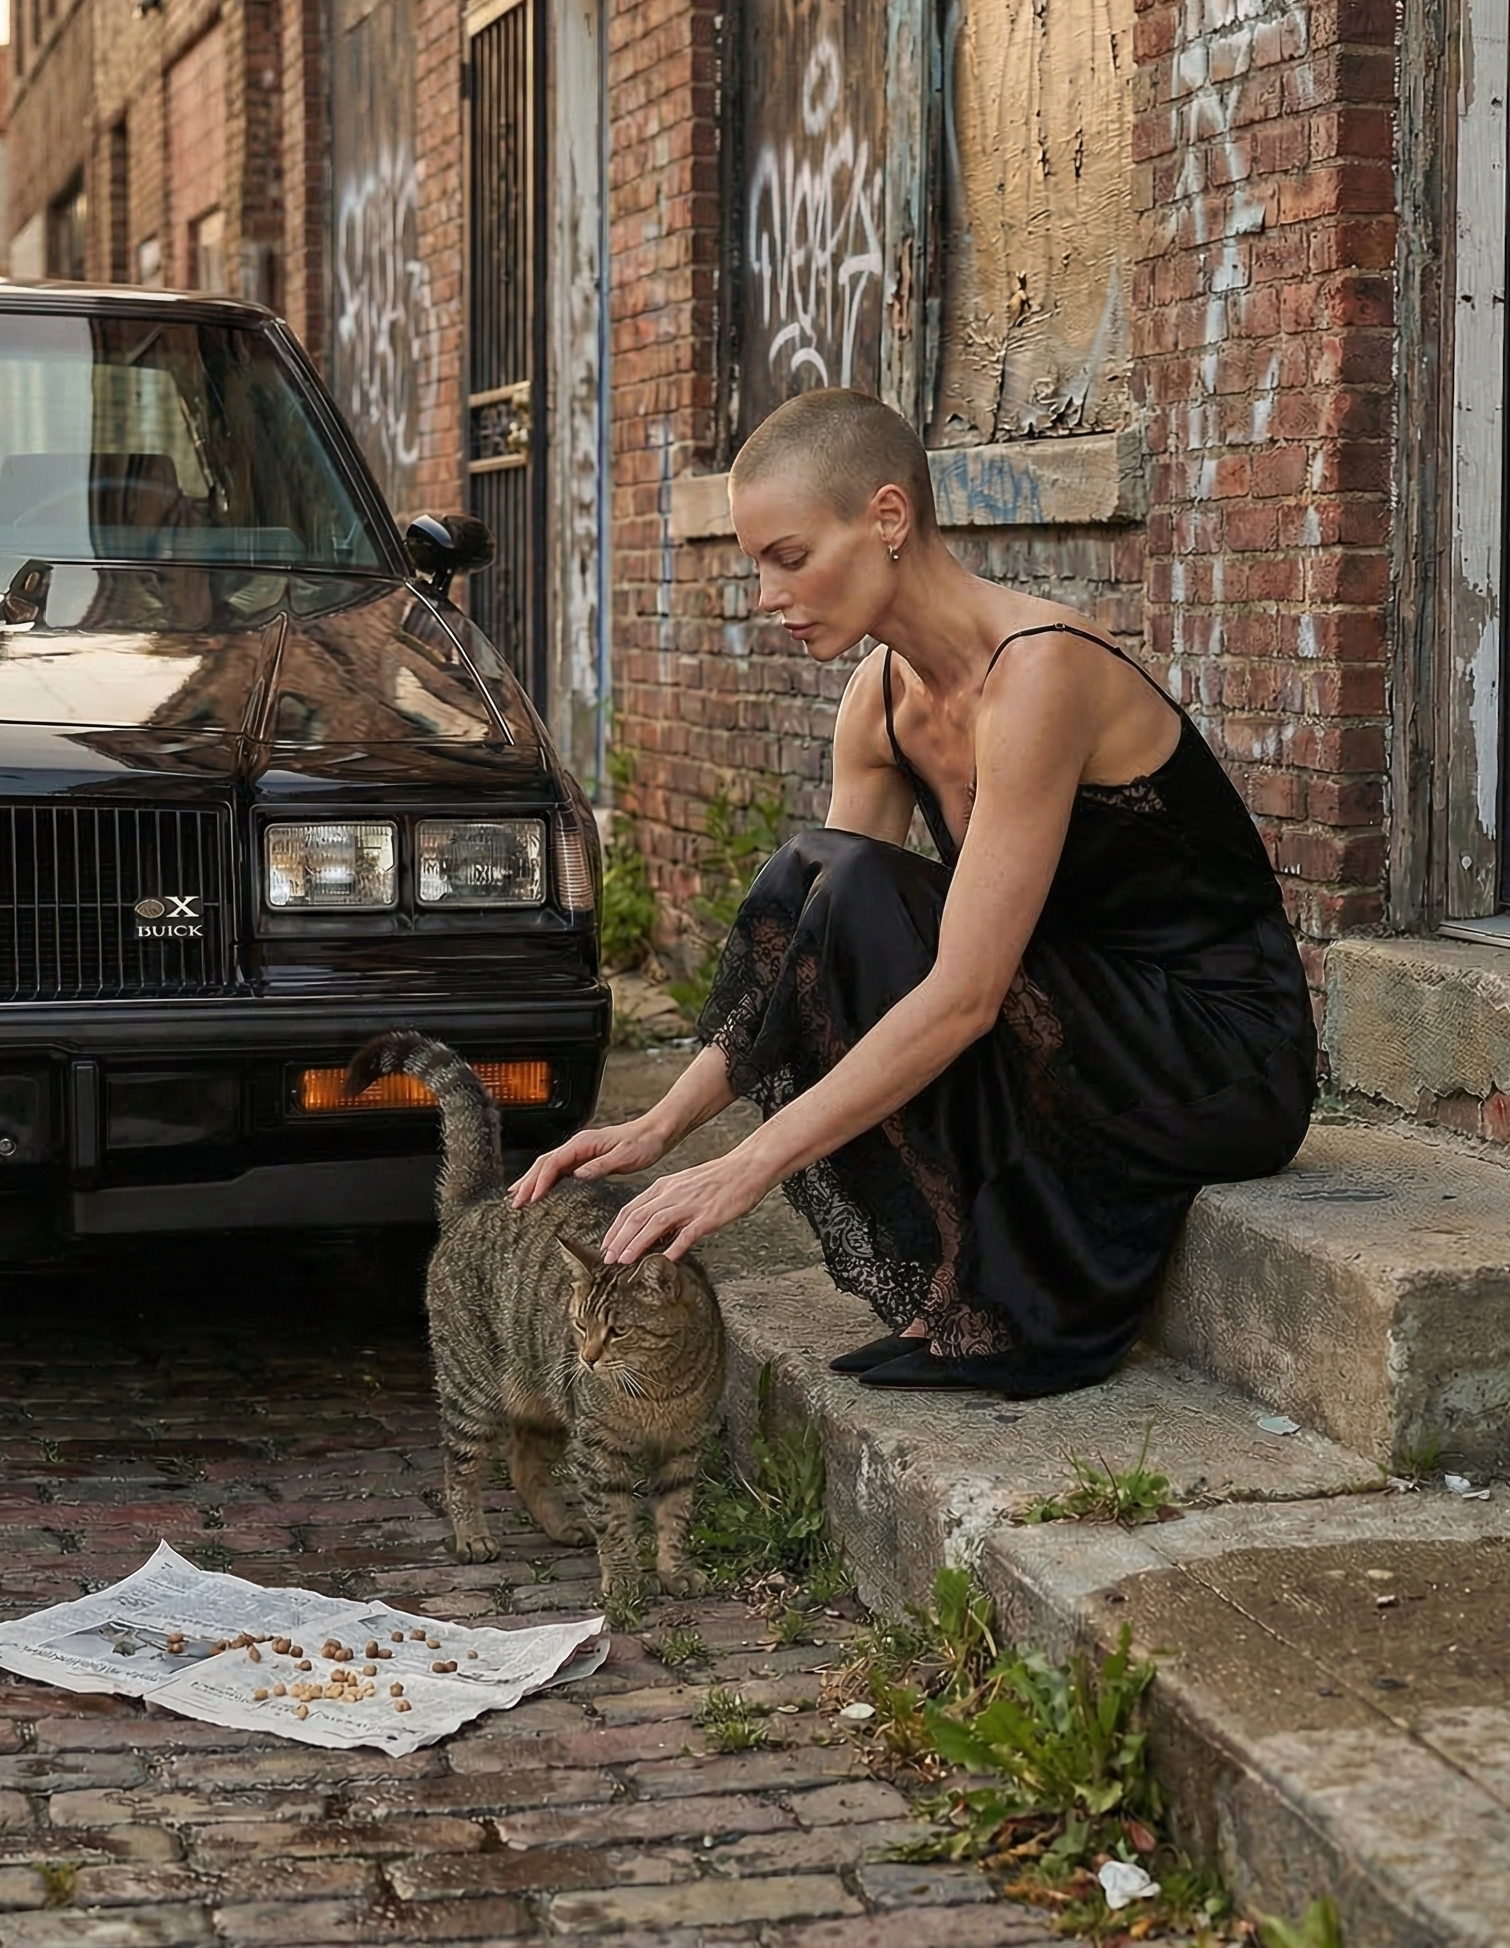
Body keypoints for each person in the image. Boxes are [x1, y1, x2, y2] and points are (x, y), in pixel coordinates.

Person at [511, 389, 1316, 1396]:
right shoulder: (878, 701)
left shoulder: (1038, 674)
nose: (764, 595)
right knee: (821, 874)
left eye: (786, 557)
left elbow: (968, 994)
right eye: (756, 563)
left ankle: (1002, 1294)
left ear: (887, 519)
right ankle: (962, 1274)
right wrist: (662, 1126)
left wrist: (748, 1162)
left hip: (1218, 1053)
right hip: (1070, 1015)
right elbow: (814, 942)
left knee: (855, 891)